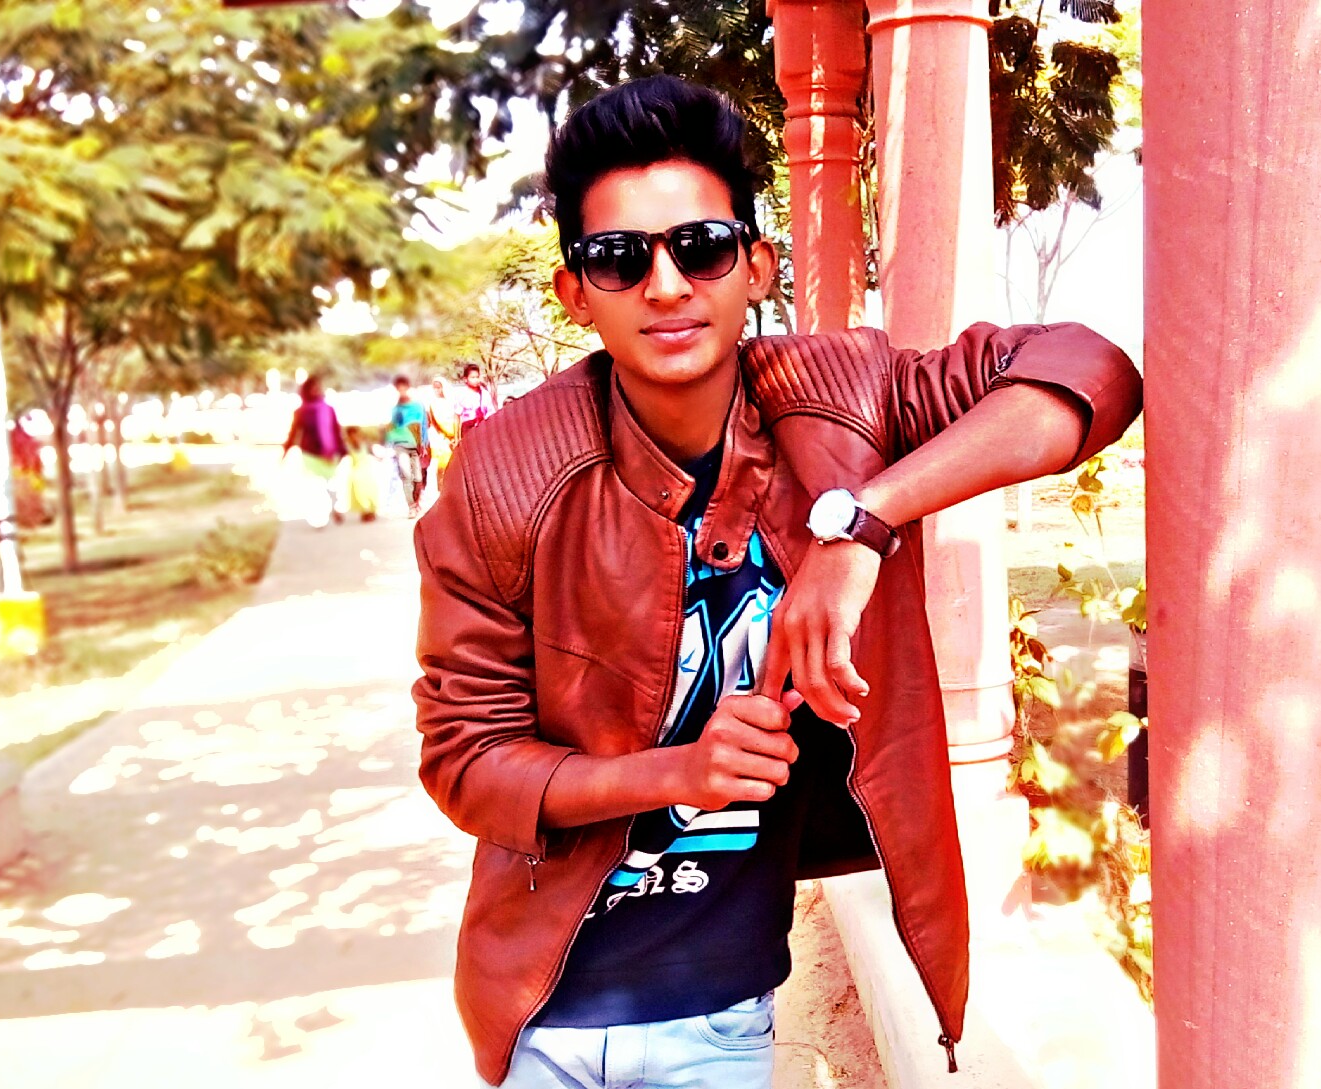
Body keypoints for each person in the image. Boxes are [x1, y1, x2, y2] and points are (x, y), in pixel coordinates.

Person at [412, 76, 1142, 1089]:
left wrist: (861, 523)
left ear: (755, 266)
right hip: (543, 1011)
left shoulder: (843, 400)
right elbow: (466, 760)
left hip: (717, 1014)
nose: (665, 284)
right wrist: (680, 773)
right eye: (619, 258)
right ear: (574, 293)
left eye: (700, 246)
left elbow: (1089, 372)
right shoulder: (505, 475)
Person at [281, 374, 346, 528]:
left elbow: (336, 431)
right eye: (313, 388)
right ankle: (320, 518)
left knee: (332, 485)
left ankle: (334, 508)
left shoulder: (329, 409)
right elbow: (294, 433)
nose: (317, 390)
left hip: (330, 455)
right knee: (316, 488)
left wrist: (342, 450)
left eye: (318, 387)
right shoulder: (301, 412)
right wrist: (285, 450)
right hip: (310, 455)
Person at [387, 374, 429, 518]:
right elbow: (392, 429)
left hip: (415, 446)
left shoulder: (417, 406)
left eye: (403, 388)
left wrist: (424, 443)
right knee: (406, 475)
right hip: (400, 446)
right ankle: (411, 507)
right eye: (399, 389)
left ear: (408, 388)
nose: (402, 391)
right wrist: (389, 446)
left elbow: (423, 426)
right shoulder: (395, 409)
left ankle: (416, 503)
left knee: (418, 478)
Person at [426, 376, 460, 493]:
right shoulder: (432, 404)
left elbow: (457, 419)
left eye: (439, 387)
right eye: (434, 388)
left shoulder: (451, 401)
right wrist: (446, 436)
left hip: (454, 437)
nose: (437, 390)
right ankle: (442, 491)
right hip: (441, 438)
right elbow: (434, 422)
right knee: (442, 465)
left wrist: (456, 437)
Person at [453, 362, 498, 439]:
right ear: (465, 379)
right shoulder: (462, 395)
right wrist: (456, 438)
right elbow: (457, 417)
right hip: (468, 430)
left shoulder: (485, 394)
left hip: (483, 429)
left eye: (477, 377)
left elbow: (491, 414)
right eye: (472, 377)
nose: (476, 380)